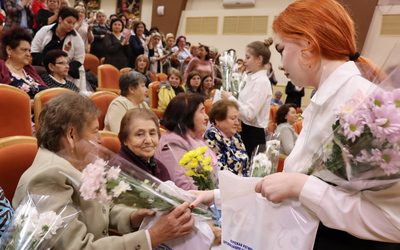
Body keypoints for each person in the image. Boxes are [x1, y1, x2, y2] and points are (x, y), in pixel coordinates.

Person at [257, 0, 400, 249]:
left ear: (307, 45)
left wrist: (303, 187)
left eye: (281, 49)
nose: (280, 63)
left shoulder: (366, 107)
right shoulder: (327, 97)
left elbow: (393, 222)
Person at [12, 92, 194, 249]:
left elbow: (101, 209)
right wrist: (152, 236)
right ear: (71, 135)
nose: (100, 139)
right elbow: (77, 248)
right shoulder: (47, 177)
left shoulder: (72, 164)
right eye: (95, 131)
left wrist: (132, 217)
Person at [221, 39, 273, 158]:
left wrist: (230, 98)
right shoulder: (251, 78)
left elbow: (250, 114)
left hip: (253, 134)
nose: (244, 61)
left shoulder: (261, 82)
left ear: (259, 59)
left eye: (248, 57)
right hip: (244, 129)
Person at [155, 93, 214, 190]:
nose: (206, 117)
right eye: (202, 111)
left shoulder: (195, 138)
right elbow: (184, 188)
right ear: (187, 116)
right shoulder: (171, 145)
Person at [31, 7, 88, 92]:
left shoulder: (76, 38)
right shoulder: (44, 31)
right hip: (44, 69)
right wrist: (49, 66)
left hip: (66, 73)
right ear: (60, 19)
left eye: (73, 23)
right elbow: (34, 51)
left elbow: (79, 59)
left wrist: (65, 69)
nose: (71, 26)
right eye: (69, 22)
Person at [118, 108, 170, 181]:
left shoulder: (160, 168)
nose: (148, 140)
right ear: (125, 140)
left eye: (152, 134)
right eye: (139, 134)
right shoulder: (118, 172)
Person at [204, 100, 248, 176]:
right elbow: (220, 171)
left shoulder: (235, 136)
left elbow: (245, 165)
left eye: (238, 119)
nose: (237, 123)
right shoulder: (211, 136)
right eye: (233, 118)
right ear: (217, 120)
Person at [0, 26, 47, 99]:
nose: (28, 54)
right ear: (9, 50)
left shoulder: (30, 71)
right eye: (24, 50)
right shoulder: (2, 70)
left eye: (29, 50)